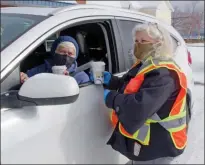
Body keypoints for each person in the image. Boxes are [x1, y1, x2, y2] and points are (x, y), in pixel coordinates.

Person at [90, 23, 188, 164]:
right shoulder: (145, 64)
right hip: (146, 145)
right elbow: (132, 86)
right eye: (136, 41)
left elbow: (140, 107)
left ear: (158, 44)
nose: (138, 44)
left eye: (143, 41)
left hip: (159, 146)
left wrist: (112, 98)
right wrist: (111, 81)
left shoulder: (164, 74)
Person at [20, 36, 90, 85]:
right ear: (54, 52)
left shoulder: (81, 77)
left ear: (75, 56)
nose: (66, 56)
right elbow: (26, 78)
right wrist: (23, 77)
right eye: (62, 51)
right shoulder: (41, 69)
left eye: (70, 53)